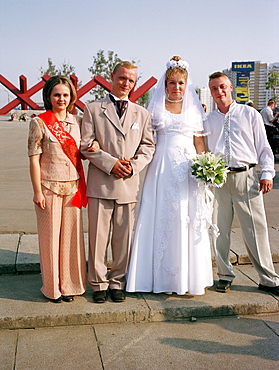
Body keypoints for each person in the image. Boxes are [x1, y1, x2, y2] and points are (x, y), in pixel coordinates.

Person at [126, 56, 213, 295]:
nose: (176, 87)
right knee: (161, 217)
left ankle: (186, 279)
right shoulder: (153, 108)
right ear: (165, 85)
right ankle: (156, 277)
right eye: (172, 82)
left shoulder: (195, 110)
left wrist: (205, 169)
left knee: (186, 216)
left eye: (181, 83)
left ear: (187, 85)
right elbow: (143, 139)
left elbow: (200, 143)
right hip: (161, 169)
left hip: (187, 170)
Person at [80, 61, 155, 303]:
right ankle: (98, 282)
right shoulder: (93, 109)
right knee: (98, 238)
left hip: (128, 184)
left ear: (135, 83)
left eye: (131, 80)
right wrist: (111, 163)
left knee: (124, 239)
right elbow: (86, 145)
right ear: (112, 77)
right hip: (101, 183)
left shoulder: (142, 114)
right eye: (122, 78)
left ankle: (117, 282)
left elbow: (148, 146)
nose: (126, 83)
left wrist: (133, 166)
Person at [206, 71, 279, 295]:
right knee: (219, 230)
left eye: (222, 87)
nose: (219, 92)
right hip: (218, 179)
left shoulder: (249, 114)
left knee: (255, 229)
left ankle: (268, 278)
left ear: (230, 87)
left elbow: (263, 147)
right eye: (214, 89)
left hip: (246, 177)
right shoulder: (207, 120)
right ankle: (224, 275)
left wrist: (267, 173)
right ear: (211, 92)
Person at [28, 76, 87, 303]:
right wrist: (37, 191)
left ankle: (70, 285)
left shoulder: (78, 121)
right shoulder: (39, 122)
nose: (61, 99)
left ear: (71, 97)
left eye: (65, 95)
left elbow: (86, 147)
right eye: (56, 95)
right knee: (50, 239)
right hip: (49, 187)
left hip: (72, 186)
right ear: (49, 97)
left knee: (71, 239)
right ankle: (52, 288)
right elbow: (34, 159)